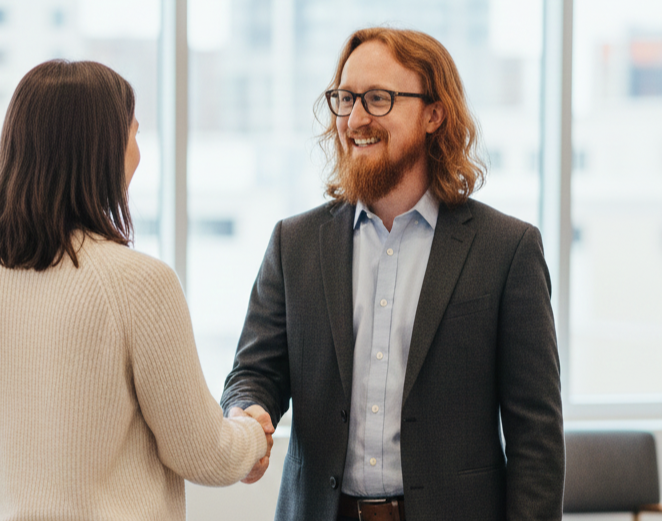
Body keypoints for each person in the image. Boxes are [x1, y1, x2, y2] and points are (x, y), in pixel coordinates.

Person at [221, 28, 564, 521]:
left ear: (433, 114)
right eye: (344, 98)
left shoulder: (507, 249)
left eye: (378, 99)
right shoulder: (293, 244)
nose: (355, 118)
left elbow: (537, 441)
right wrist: (246, 410)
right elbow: (254, 373)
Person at [0, 60, 271, 521]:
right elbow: (203, 453)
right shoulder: (139, 282)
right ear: (104, 150)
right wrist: (250, 433)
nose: (138, 151)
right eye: (133, 133)